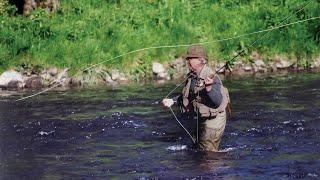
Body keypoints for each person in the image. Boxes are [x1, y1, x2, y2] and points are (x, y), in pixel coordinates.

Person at [162, 45, 230, 152]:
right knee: (197, 151)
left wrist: (209, 88)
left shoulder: (212, 76)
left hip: (213, 121)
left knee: (208, 156)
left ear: (201, 60)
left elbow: (217, 101)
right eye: (187, 59)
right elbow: (189, 96)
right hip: (200, 119)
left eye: (190, 59)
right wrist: (172, 101)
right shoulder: (192, 76)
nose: (187, 61)